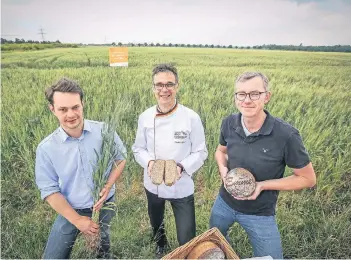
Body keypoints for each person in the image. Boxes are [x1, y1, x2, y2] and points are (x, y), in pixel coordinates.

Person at [209, 72, 316, 259]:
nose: (247, 100)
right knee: (214, 245)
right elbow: (220, 151)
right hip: (224, 203)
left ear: (267, 96)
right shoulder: (229, 123)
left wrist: (262, 185)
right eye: (241, 94)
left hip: (260, 212)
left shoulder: (286, 136)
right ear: (235, 98)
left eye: (254, 94)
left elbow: (308, 179)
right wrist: (223, 168)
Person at [35, 78, 127, 259]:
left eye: (75, 107)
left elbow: (120, 158)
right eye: (63, 109)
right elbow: (49, 190)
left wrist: (108, 186)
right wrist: (77, 221)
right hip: (71, 208)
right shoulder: (46, 148)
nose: (71, 114)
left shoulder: (104, 131)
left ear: (82, 104)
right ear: (52, 109)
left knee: (102, 246)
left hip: (104, 203)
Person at [132, 63, 208, 257]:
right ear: (153, 88)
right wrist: (149, 163)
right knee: (156, 221)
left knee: (187, 238)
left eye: (169, 84)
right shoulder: (145, 117)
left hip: (181, 185)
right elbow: (138, 149)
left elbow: (201, 152)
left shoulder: (191, 117)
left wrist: (182, 167)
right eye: (159, 85)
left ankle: (185, 250)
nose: (164, 89)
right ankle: (160, 242)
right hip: (153, 183)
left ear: (177, 86)